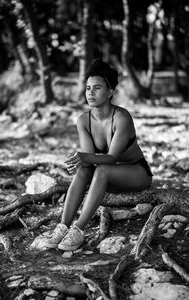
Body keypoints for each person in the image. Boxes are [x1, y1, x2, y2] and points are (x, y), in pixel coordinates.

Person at [43, 58, 153, 251]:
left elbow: (112, 158)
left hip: (136, 173)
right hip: (107, 176)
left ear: (110, 92)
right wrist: (78, 161)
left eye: (97, 88)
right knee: (84, 169)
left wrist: (83, 157)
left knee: (101, 168)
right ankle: (63, 226)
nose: (90, 93)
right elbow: (88, 157)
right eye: (87, 88)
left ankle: (78, 229)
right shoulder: (83, 120)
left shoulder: (121, 117)